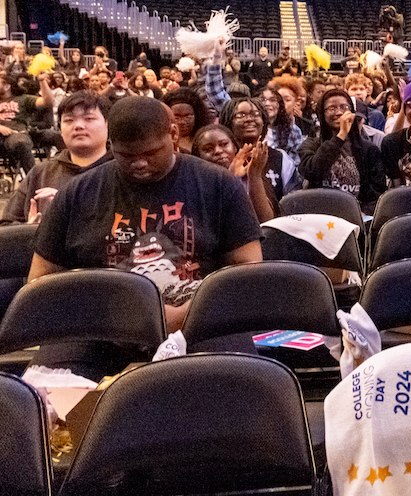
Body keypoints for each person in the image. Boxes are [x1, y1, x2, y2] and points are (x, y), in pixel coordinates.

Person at [29, 97, 262, 377]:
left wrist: (185, 314)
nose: (139, 162)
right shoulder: (78, 192)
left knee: (242, 387)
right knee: (46, 397)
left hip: (199, 323)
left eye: (151, 152)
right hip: (97, 333)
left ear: (173, 135)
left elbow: (247, 273)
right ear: (111, 144)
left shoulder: (218, 185)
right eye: (126, 155)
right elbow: (40, 281)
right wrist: (103, 315)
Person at [1, 90, 110, 224]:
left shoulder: (123, 172)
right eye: (69, 120)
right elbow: (6, 226)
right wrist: (30, 232)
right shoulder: (40, 174)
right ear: (60, 130)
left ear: (107, 125)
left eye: (89, 118)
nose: (78, 126)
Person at [298, 88, 386, 215]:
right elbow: (312, 171)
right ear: (322, 114)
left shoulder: (369, 150)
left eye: (344, 107)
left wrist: (363, 214)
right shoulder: (311, 145)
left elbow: (377, 192)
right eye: (332, 108)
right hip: (319, 216)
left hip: (358, 216)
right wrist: (340, 136)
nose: (338, 112)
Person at [193, 123, 277, 223]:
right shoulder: (195, 184)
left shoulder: (248, 175)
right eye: (208, 149)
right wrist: (230, 178)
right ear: (198, 156)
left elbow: (266, 220)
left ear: (234, 147)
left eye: (224, 144)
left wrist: (254, 174)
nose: (218, 151)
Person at [162, 88, 213, 155]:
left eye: (187, 116)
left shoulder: (206, 139)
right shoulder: (162, 142)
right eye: (176, 117)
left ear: (197, 115)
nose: (182, 122)